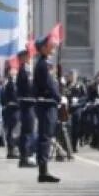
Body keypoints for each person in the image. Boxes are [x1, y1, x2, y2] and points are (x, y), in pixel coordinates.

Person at [33, 34, 63, 183]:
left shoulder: (44, 63)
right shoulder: (44, 65)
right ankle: (43, 172)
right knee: (45, 137)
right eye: (49, 45)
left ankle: (43, 170)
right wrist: (59, 97)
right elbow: (50, 85)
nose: (53, 47)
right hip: (46, 104)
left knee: (45, 136)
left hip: (47, 104)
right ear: (43, 48)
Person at [16, 50, 36, 168]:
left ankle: (24, 157)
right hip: (27, 104)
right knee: (28, 131)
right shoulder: (24, 71)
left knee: (26, 131)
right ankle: (25, 157)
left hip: (26, 104)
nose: (29, 58)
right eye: (27, 56)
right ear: (23, 58)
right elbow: (29, 88)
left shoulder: (24, 70)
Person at [0, 64, 20, 159]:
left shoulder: (5, 85)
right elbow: (15, 98)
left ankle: (11, 151)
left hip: (8, 111)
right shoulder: (11, 85)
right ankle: (12, 151)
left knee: (10, 131)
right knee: (12, 131)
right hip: (12, 111)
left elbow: (2, 100)